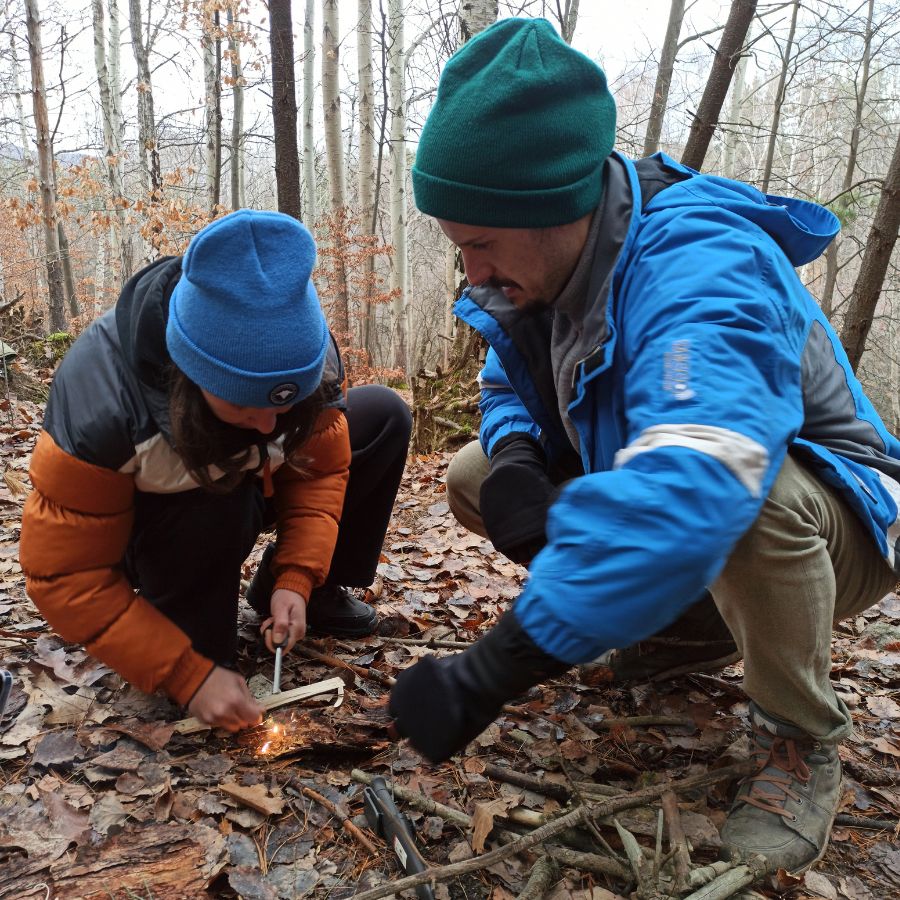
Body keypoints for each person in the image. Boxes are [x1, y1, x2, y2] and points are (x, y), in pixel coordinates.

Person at [388, 17, 900, 874]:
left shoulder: (701, 261)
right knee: (475, 475)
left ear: (552, 209)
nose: (470, 273)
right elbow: (510, 381)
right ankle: (687, 627)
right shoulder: (545, 266)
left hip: (840, 514)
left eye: (478, 244)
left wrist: (500, 666)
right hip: (694, 488)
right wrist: (517, 461)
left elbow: (705, 473)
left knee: (750, 497)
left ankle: (800, 739)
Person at [20, 209, 411, 732]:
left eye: (285, 404)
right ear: (192, 373)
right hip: (157, 524)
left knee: (383, 414)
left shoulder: (305, 361)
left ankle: (306, 594)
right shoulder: (104, 404)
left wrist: (296, 577)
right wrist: (187, 672)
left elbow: (317, 475)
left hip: (244, 491)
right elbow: (66, 574)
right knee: (206, 659)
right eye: (246, 405)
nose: (269, 423)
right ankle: (192, 628)